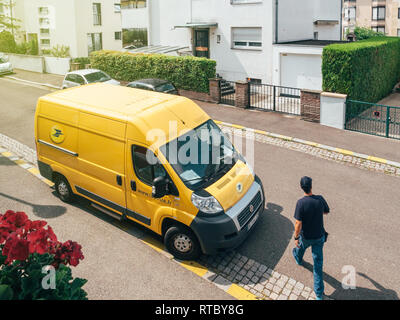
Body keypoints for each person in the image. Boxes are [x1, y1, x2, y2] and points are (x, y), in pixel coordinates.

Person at [292, 176, 330, 300]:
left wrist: (296, 237)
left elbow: (298, 224)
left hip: (306, 236)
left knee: (300, 247)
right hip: (319, 236)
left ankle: (298, 258)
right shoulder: (319, 199)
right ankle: (319, 294)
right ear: (311, 186)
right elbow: (326, 212)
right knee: (318, 265)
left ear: (301, 187)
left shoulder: (301, 203)